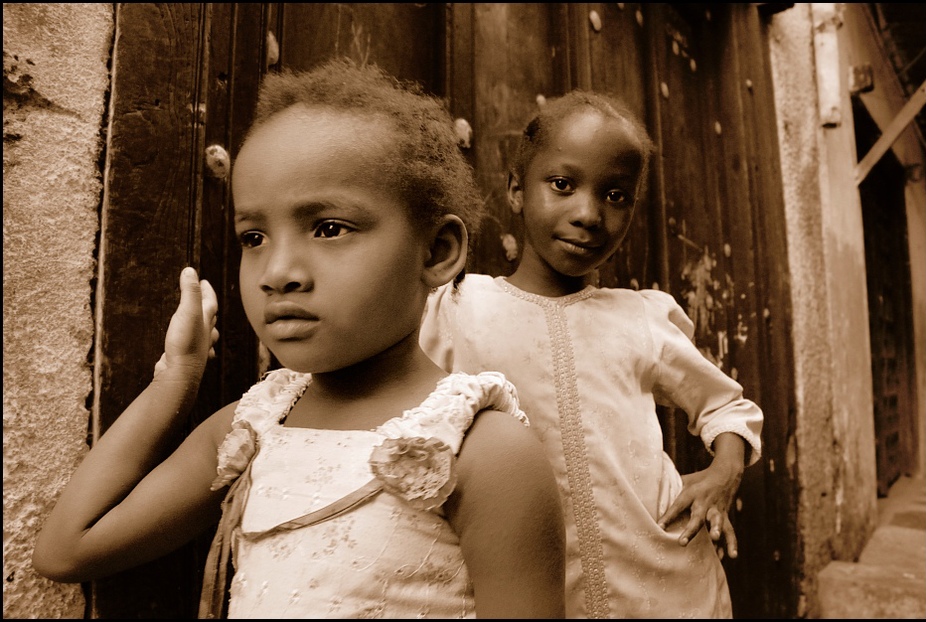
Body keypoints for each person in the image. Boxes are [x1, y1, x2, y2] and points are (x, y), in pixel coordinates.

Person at [32, 58, 566, 620]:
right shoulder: (255, 426)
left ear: (436, 252)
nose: (277, 270)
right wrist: (177, 378)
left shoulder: (483, 451)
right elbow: (67, 548)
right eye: (254, 236)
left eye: (328, 228)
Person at [419, 90, 764, 618]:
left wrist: (724, 473)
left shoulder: (643, 317)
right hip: (524, 589)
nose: (589, 213)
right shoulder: (456, 308)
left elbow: (726, 408)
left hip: (667, 585)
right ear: (516, 189)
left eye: (616, 196)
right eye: (562, 185)